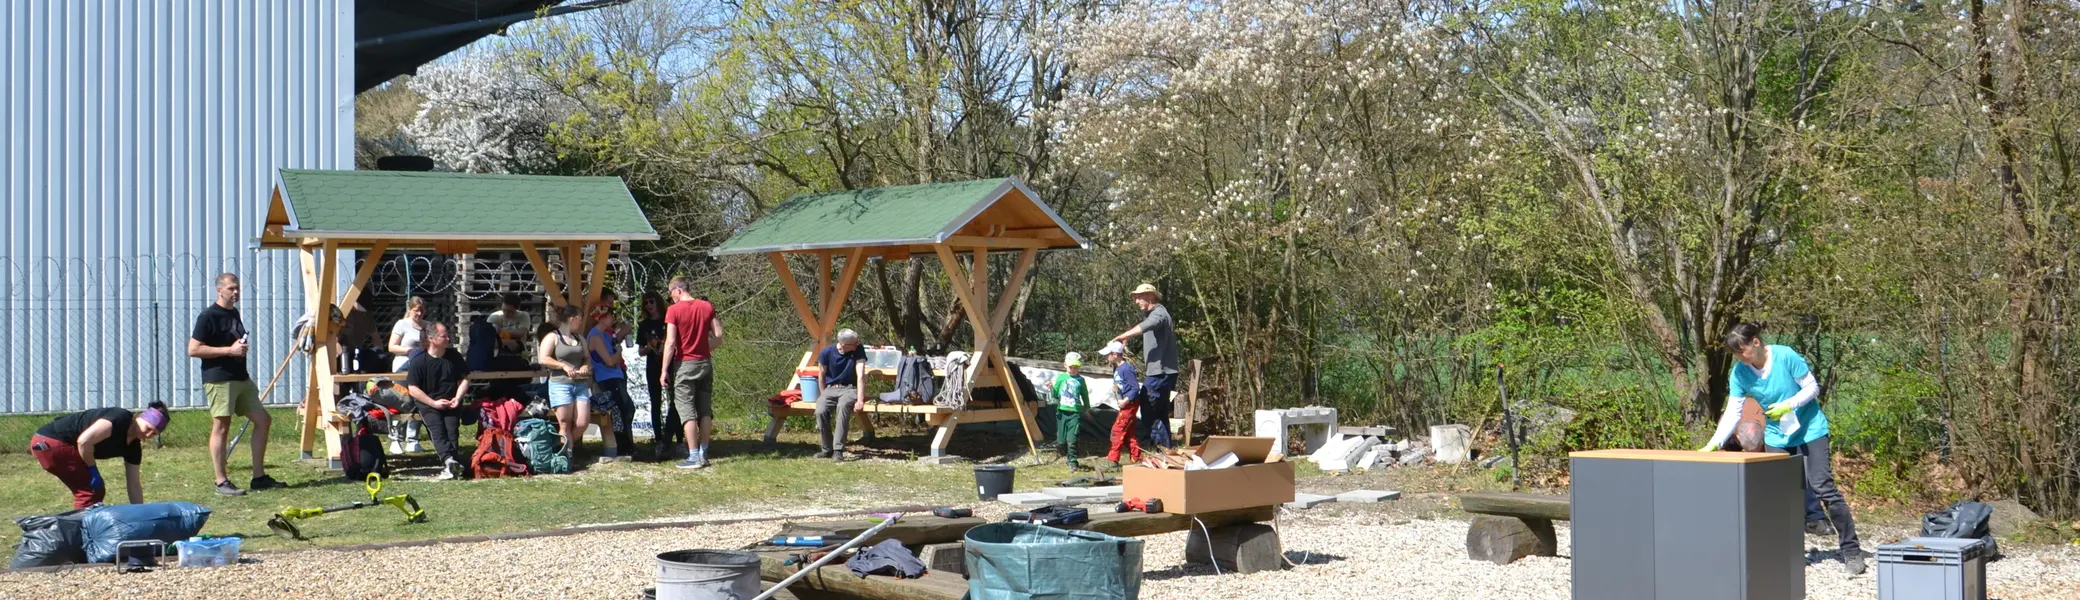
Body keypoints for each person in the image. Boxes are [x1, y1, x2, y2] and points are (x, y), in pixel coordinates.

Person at [1704, 322, 1865, 575]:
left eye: (1742, 351)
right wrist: (1714, 442)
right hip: (1778, 435)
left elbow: (1812, 387)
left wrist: (1789, 404)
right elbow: (1734, 410)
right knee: (1777, 496)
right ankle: (1782, 556)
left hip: (1810, 428)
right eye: (1735, 354)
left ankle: (1852, 552)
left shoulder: (1785, 355)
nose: (1739, 357)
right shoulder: (1740, 373)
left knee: (1823, 486)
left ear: (1756, 343)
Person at [187, 273, 282, 497]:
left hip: (241, 377)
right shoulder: (208, 316)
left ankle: (259, 477)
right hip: (219, 378)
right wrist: (229, 350)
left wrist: (238, 347)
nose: (236, 292)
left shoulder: (234, 312)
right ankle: (221, 482)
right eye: (231, 288)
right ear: (219, 290)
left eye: (237, 288)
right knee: (221, 426)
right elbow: (193, 349)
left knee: (263, 419)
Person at [30, 402, 170, 508]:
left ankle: (84, 531)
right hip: (50, 442)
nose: (148, 435)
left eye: (154, 434)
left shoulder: (133, 448)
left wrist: (141, 514)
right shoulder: (120, 417)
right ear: (141, 417)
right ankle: (82, 536)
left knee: (93, 490)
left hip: (52, 444)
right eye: (148, 428)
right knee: (90, 491)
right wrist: (92, 469)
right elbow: (84, 441)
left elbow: (134, 484)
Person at [660, 277, 723, 469]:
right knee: (705, 411)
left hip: (685, 365)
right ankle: (704, 452)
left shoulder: (673, 310)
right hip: (705, 363)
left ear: (678, 290)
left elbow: (670, 343)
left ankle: (694, 456)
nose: (670, 298)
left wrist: (664, 370)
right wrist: (704, 348)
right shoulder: (706, 306)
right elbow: (719, 336)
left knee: (687, 412)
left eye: (670, 293)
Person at [1111, 283, 1180, 449]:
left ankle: (1161, 450)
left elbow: (1147, 326)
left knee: (1149, 412)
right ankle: (1166, 452)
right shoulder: (1154, 315)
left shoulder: (1159, 313)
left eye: (1138, 297)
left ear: (1150, 296)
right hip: (1162, 373)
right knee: (1160, 413)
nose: (1136, 301)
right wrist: (1128, 337)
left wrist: (1123, 336)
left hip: (1160, 374)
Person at [405, 321, 473, 480]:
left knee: (452, 432)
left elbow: (465, 379)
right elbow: (413, 388)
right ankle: (450, 461)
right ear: (431, 339)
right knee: (438, 431)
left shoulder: (454, 356)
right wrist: (433, 403)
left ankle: (452, 464)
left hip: (451, 402)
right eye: (444, 336)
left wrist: (458, 397)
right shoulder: (419, 361)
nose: (448, 338)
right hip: (428, 403)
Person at [539, 305, 601, 461]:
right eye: (580, 319)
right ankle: (567, 456)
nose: (581, 323)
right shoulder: (552, 337)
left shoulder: (579, 338)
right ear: (572, 319)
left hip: (580, 384)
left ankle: (561, 445)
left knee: (582, 422)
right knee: (565, 422)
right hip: (560, 384)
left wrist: (586, 365)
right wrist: (564, 366)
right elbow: (543, 358)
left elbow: (587, 357)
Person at [588, 306, 635, 463]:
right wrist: (618, 353)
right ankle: (623, 446)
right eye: (610, 316)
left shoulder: (605, 335)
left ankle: (627, 444)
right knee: (620, 411)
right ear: (602, 318)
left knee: (626, 408)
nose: (612, 318)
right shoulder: (595, 337)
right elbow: (609, 361)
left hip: (615, 377)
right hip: (607, 380)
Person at [814, 330, 867, 462]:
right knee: (820, 410)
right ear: (843, 345)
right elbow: (821, 375)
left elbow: (861, 376)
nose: (857, 344)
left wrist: (860, 400)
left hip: (849, 389)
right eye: (854, 343)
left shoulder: (859, 350)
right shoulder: (826, 352)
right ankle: (826, 449)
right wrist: (822, 395)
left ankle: (838, 449)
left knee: (843, 407)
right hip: (830, 388)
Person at [637, 292, 678, 458]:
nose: (648, 305)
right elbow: (640, 351)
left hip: (671, 365)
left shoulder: (669, 319)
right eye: (645, 303)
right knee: (656, 402)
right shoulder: (644, 325)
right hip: (653, 366)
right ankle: (659, 440)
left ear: (658, 302)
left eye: (651, 301)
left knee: (675, 401)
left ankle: (678, 439)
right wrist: (650, 347)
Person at [387, 296, 430, 454]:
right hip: (402, 367)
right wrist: (410, 350)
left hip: (421, 367)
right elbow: (392, 347)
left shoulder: (427, 326)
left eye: (422, 310)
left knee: (418, 401)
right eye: (416, 310)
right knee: (402, 401)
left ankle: (413, 440)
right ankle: (395, 440)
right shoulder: (402, 324)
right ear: (410, 310)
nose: (419, 313)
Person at [1099, 341, 1144, 465]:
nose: (1106, 357)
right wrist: (1117, 390)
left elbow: (1135, 388)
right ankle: (1137, 458)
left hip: (1130, 405)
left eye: (1108, 354)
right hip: (1125, 404)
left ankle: (1113, 460)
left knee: (1117, 430)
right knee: (1129, 433)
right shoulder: (1117, 367)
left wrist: (1125, 400)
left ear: (1114, 354)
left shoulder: (1127, 369)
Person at [1052, 352, 1091, 469]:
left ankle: (1073, 461)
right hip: (1062, 413)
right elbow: (1055, 394)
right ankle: (1063, 451)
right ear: (1065, 365)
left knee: (1072, 438)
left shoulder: (1081, 380)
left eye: (1076, 367)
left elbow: (1084, 394)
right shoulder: (1061, 378)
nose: (1073, 370)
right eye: (1071, 367)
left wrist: (1087, 408)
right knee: (1061, 440)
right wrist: (1051, 388)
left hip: (1075, 413)